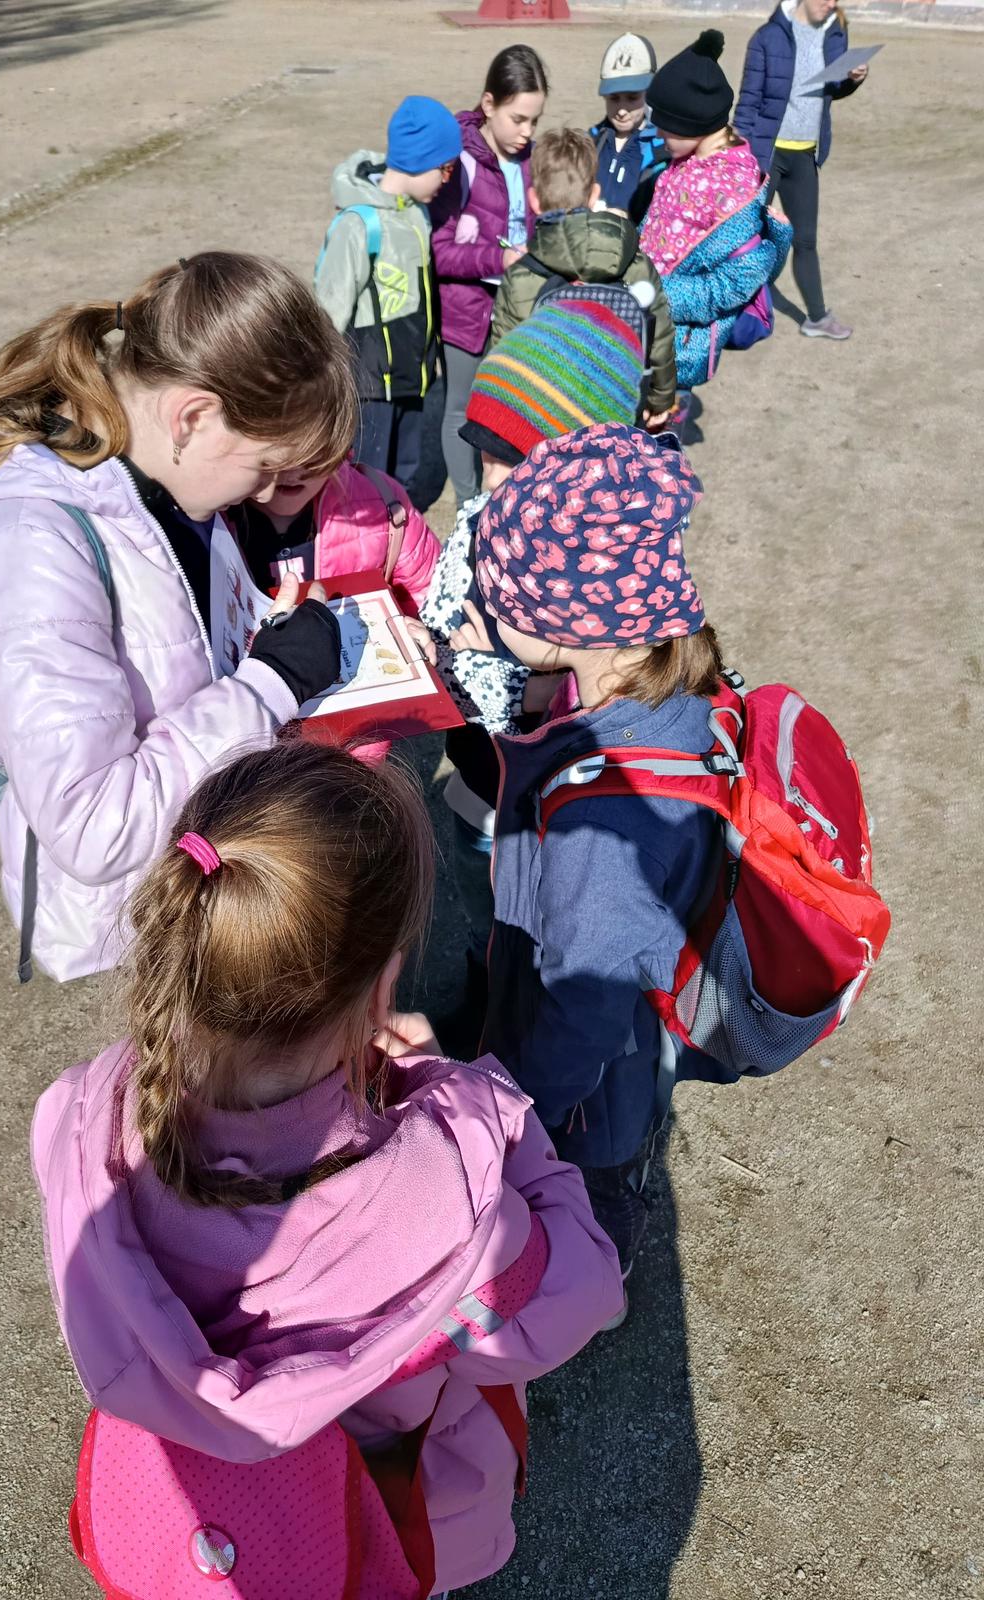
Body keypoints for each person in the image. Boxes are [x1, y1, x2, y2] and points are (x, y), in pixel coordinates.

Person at [31, 741, 623, 1594]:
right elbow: (586, 1287)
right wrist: (479, 1107)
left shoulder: (83, 1117)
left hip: (213, 1531)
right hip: (396, 1526)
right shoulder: (452, 1197)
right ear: (382, 991)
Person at [0, 254, 353, 982]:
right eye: (265, 466)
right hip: (130, 920)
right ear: (192, 416)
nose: (269, 493)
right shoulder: (26, 549)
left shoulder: (167, 477)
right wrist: (270, 685)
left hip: (200, 869)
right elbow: (94, 824)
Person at [472, 423, 724, 1294]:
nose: (485, 615)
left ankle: (597, 1274)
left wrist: (513, 1113)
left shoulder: (605, 827)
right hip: (598, 1023)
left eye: (500, 604)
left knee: (592, 1187)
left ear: (571, 622)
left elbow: (586, 1007)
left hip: (582, 1094)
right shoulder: (663, 681)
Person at [420, 298, 649, 1052]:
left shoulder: (605, 568)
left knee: (539, 931)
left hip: (545, 804)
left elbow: (598, 701)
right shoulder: (485, 517)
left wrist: (530, 685)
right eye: (483, 452)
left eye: (511, 459)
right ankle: (483, 995)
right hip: (475, 778)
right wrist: (430, 640)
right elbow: (448, 606)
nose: (489, 478)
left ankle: (525, 1035)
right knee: (482, 912)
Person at [315, 95, 462, 494]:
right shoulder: (359, 224)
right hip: (370, 387)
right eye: (445, 169)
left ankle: (399, 528)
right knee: (364, 479)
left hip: (412, 378)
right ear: (419, 161)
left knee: (403, 475)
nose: (447, 180)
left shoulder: (416, 212)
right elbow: (329, 309)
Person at [640, 31, 792, 403]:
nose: (657, 132)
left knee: (656, 436)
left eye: (664, 123)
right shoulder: (686, 162)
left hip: (675, 351)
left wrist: (656, 295)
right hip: (644, 329)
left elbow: (732, 285)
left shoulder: (733, 192)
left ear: (692, 123)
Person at [490, 125, 677, 425]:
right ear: (594, 195)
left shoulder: (521, 276)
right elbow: (660, 340)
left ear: (533, 199)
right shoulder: (634, 262)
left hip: (545, 418)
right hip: (618, 412)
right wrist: (659, 400)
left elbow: (503, 359)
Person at [430, 44, 549, 507]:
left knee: (508, 407)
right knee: (460, 409)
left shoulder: (531, 160)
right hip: (465, 313)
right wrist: (497, 260)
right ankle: (468, 505)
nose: (527, 132)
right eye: (518, 119)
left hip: (517, 311)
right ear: (488, 104)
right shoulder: (458, 162)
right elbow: (440, 251)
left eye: (535, 120)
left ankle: (505, 496)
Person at [735, 0, 869, 340]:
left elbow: (831, 89)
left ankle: (817, 318)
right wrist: (739, 155)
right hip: (767, 154)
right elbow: (748, 101)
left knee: (806, 241)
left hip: (806, 155)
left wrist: (853, 80)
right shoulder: (767, 37)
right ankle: (731, 310)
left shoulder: (835, 32)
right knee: (745, 236)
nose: (831, 3)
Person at [227, 456, 440, 616]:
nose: (294, 467)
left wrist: (416, 629)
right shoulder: (212, 518)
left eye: (313, 445)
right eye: (271, 443)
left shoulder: (383, 501)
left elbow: (428, 595)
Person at [589, 32, 668, 224]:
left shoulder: (661, 150)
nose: (622, 110)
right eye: (614, 99)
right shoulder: (590, 141)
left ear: (649, 92)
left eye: (632, 98)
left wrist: (629, 218)